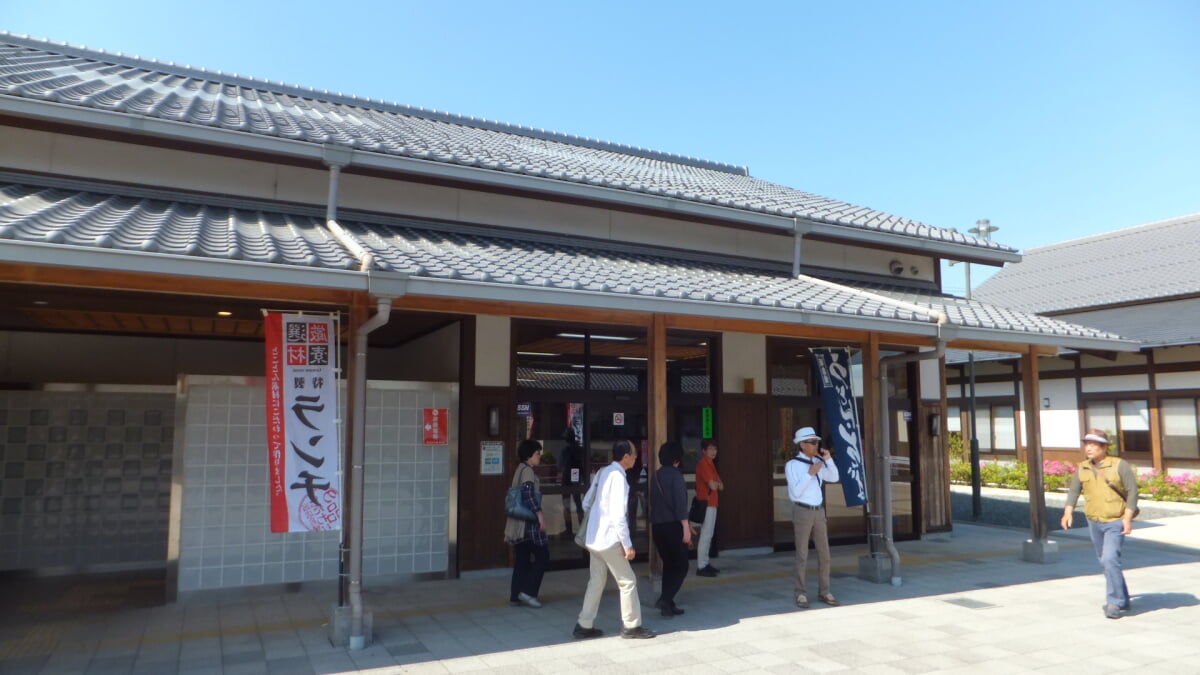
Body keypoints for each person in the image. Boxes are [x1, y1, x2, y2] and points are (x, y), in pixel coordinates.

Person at [573, 439, 656, 640]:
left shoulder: (603, 472)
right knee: (627, 581)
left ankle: (584, 623)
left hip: (594, 539)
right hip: (610, 540)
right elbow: (619, 515)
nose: (636, 458)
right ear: (626, 457)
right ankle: (631, 626)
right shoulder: (619, 478)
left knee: (596, 581)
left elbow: (586, 503)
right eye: (635, 454)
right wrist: (627, 544)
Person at [1059, 429, 1139, 619]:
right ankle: (1123, 598)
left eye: (1094, 444)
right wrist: (1068, 512)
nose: (1089, 448)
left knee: (1110, 560)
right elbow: (1074, 491)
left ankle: (1114, 602)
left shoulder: (1119, 465)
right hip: (1093, 520)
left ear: (1104, 447)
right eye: (1087, 444)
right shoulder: (1083, 467)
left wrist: (1127, 519)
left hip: (1115, 520)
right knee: (1106, 561)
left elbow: (1132, 493)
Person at [785, 426, 840, 609]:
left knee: (824, 554)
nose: (816, 445)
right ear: (802, 445)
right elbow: (796, 491)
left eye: (817, 441)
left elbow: (833, 477)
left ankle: (825, 591)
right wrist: (811, 474)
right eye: (812, 442)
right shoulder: (792, 465)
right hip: (802, 511)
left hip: (819, 511)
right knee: (802, 554)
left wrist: (828, 460)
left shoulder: (818, 461)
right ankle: (800, 593)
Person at [649, 441, 694, 617]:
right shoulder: (676, 475)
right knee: (682, 565)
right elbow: (680, 504)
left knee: (669, 564)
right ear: (677, 459)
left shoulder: (656, 475)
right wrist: (686, 527)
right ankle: (665, 599)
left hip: (657, 526)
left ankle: (669, 603)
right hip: (674, 526)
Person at [504, 439, 548, 608]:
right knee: (543, 556)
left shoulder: (519, 469)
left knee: (521, 558)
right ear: (529, 455)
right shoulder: (528, 471)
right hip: (528, 523)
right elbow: (528, 494)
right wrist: (540, 515)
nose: (539, 457)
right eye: (537, 453)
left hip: (517, 523)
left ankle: (515, 595)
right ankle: (529, 593)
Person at [694, 439, 723, 577]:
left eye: (715, 449)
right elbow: (714, 485)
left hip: (712, 502)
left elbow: (721, 485)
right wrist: (716, 483)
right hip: (707, 503)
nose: (713, 452)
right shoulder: (703, 465)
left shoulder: (711, 464)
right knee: (706, 534)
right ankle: (701, 565)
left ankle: (705, 562)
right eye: (710, 449)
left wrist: (716, 482)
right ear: (704, 451)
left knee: (708, 534)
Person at [558, 428, 586, 537]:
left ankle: (569, 530)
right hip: (577, 479)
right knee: (578, 503)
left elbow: (560, 466)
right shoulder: (580, 449)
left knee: (566, 505)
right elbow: (583, 465)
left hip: (566, 479)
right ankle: (582, 528)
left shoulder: (565, 451)